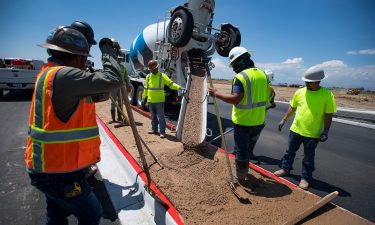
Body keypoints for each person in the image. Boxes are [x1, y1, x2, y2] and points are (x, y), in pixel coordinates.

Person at [25, 25, 123, 225]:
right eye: (85, 57)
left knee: (56, 215)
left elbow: (97, 94)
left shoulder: (50, 73)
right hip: (59, 171)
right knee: (91, 213)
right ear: (77, 56)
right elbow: (113, 80)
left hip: (51, 165)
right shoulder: (65, 76)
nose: (85, 62)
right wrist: (107, 50)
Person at [208, 46, 269, 184]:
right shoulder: (263, 74)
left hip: (243, 122)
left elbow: (236, 98)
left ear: (238, 61)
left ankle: (240, 177)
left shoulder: (241, 77)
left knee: (241, 150)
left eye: (233, 64)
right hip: (259, 120)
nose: (233, 67)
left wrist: (216, 94)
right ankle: (244, 167)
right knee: (248, 148)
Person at [274, 69, 336, 190]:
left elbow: (328, 115)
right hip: (296, 129)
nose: (307, 84)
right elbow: (292, 107)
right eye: (306, 82)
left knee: (308, 157)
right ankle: (285, 169)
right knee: (289, 152)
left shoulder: (327, 95)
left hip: (312, 133)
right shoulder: (300, 92)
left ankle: (305, 178)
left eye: (309, 82)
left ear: (318, 81)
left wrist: (326, 131)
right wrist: (284, 120)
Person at [142, 60, 181, 138]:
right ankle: (154, 129)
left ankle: (162, 132)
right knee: (153, 116)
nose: (152, 70)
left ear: (157, 68)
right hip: (150, 100)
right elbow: (146, 88)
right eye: (151, 69)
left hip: (159, 100)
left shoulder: (162, 76)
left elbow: (171, 84)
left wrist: (179, 87)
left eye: (153, 69)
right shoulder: (148, 76)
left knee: (161, 117)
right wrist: (143, 98)